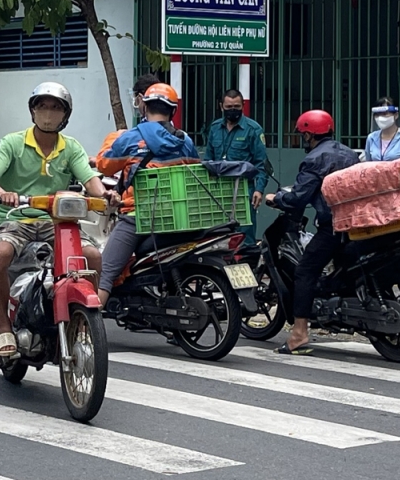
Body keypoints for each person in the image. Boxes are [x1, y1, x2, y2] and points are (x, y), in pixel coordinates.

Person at [0, 82, 117, 357]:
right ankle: (4, 325)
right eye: (43, 106)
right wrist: (3, 193)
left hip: (58, 221)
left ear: (65, 116)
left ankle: (83, 320)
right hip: (16, 218)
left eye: (56, 108)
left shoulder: (70, 148)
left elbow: (90, 181)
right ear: (33, 111)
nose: (48, 113)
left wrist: (106, 195)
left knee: (93, 256)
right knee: (0, 254)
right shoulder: (13, 143)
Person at [96, 83, 199, 307]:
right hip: (178, 215)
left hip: (138, 216)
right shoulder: (186, 141)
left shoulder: (131, 138)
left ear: (145, 107)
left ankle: (86, 332)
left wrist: (112, 141)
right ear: (172, 111)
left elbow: (104, 166)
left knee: (104, 273)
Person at [265, 110, 358, 354]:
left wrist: (278, 198)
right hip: (358, 224)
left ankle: (298, 334)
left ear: (308, 134)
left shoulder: (314, 159)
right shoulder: (349, 153)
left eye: (302, 135)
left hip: (334, 226)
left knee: (306, 270)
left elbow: (299, 198)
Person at [203, 89, 269, 237]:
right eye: (228, 107)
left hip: (244, 191)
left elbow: (261, 163)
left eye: (236, 107)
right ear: (221, 106)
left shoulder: (253, 129)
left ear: (243, 105)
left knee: (244, 235)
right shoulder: (215, 128)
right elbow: (208, 160)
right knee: (216, 236)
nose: (232, 110)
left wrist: (259, 190)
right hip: (217, 191)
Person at [363, 97, 400, 161]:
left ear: (396, 115)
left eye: (385, 114)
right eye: (377, 114)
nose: (380, 117)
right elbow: (368, 164)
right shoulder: (371, 138)